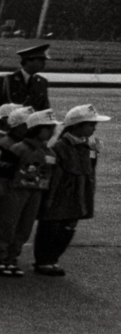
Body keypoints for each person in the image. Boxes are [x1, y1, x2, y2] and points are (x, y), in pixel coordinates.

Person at [33, 105, 107, 276]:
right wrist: (49, 197)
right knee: (52, 226)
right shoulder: (59, 146)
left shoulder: (89, 146)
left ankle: (53, 258)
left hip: (79, 193)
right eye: (90, 124)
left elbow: (90, 169)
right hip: (61, 193)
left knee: (69, 227)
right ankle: (43, 260)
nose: (94, 128)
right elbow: (54, 174)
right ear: (76, 126)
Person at [0, 111, 58, 276]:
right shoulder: (18, 148)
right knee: (8, 223)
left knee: (25, 226)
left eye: (52, 128)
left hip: (36, 193)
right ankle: (0, 258)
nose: (51, 132)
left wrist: (47, 198)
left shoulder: (49, 153)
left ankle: (12, 257)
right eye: (48, 128)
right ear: (36, 129)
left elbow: (50, 176)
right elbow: (2, 173)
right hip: (15, 191)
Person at [2, 44, 50, 111]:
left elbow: (45, 108)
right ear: (28, 61)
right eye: (40, 60)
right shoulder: (8, 80)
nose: (44, 63)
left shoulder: (42, 81)